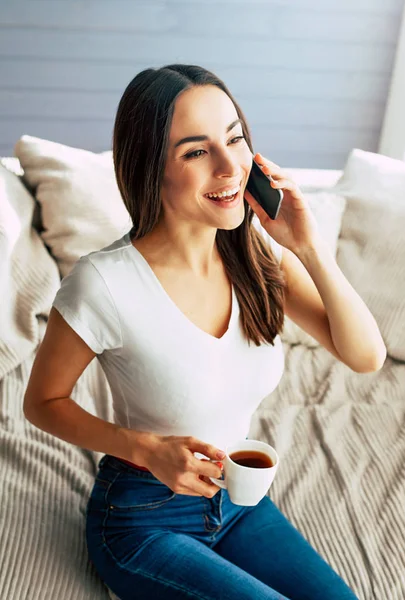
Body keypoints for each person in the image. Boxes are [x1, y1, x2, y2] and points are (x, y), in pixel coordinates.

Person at [23, 64, 386, 600]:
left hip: (240, 504)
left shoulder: (259, 259)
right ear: (151, 168)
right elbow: (42, 401)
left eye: (235, 138)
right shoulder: (103, 282)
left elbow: (366, 357)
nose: (230, 167)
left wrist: (308, 249)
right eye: (196, 151)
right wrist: (146, 449)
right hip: (143, 519)